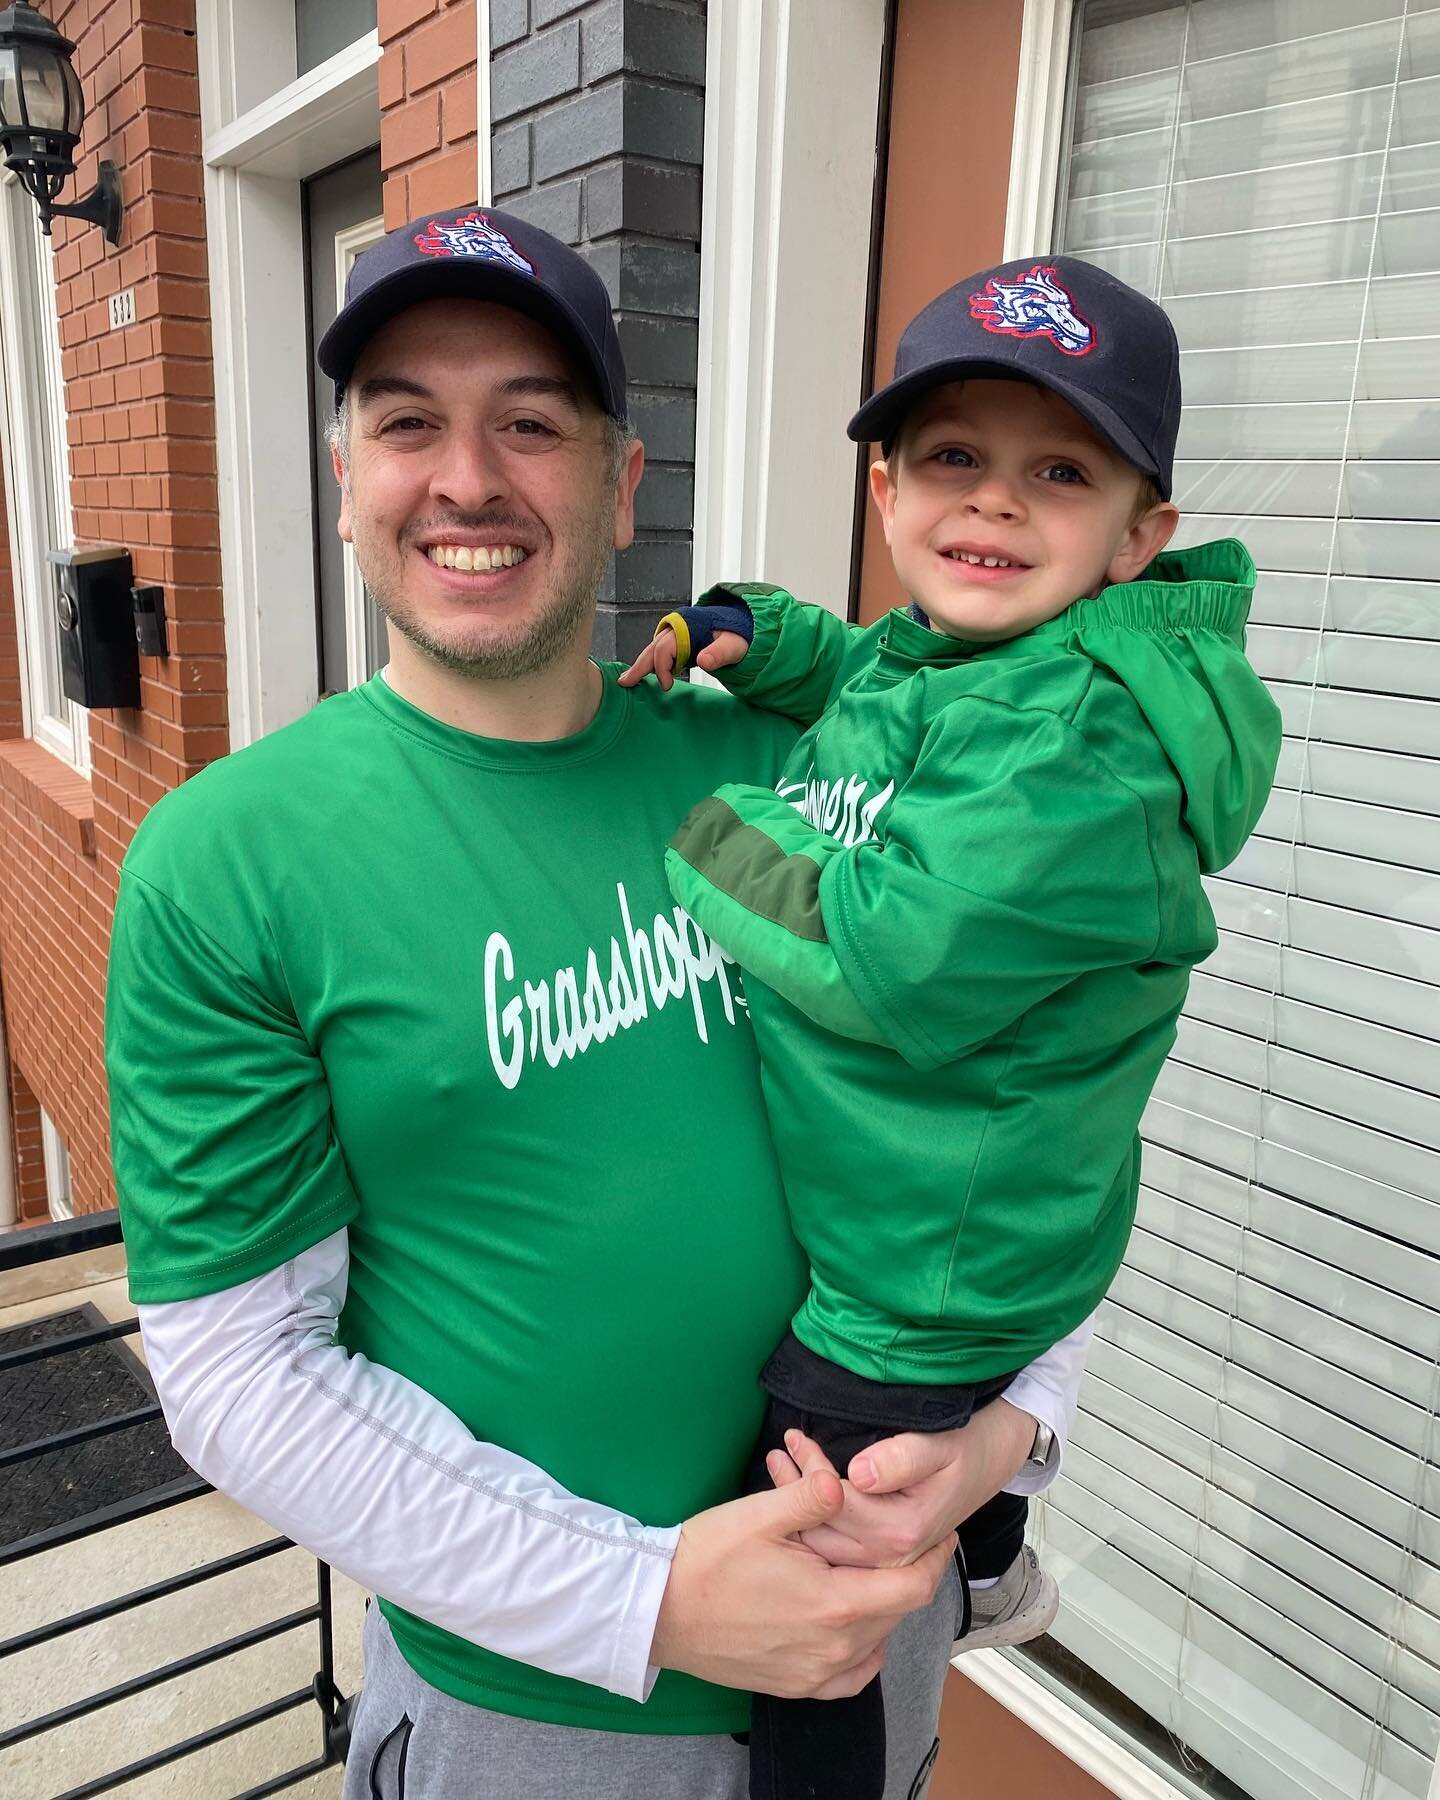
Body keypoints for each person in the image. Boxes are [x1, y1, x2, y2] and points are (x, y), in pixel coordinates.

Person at [105, 210, 1093, 1800]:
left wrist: (1006, 1439)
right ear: (348, 480)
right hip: (551, 1721)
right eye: (408, 421)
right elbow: (238, 1374)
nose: (470, 478)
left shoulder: (789, 771)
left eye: (532, 423)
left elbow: (1038, 1109)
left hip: (878, 1655)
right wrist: (653, 1599)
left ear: (626, 480)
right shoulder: (231, 863)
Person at [622, 256, 1282, 1800]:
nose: (995, 505)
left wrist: (694, 821)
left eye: (1061, 470)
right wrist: (763, 636)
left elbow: (885, 962)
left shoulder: (1079, 742)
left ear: (1141, 535)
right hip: (965, 1216)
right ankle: (991, 1558)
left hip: (918, 1279)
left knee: (820, 1576)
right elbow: (878, 681)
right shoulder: (984, 658)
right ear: (886, 486)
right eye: (955, 460)